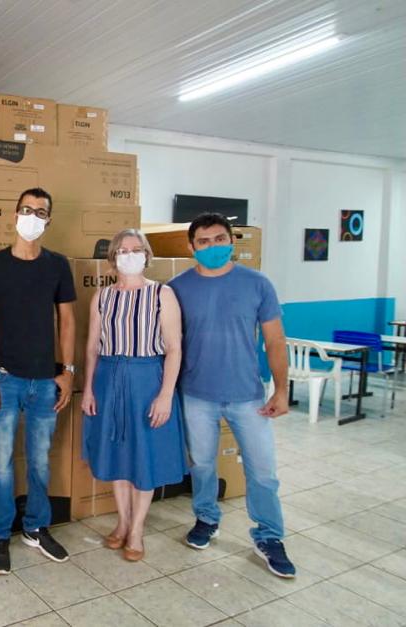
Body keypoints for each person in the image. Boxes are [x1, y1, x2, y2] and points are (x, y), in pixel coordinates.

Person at [169, 212, 296, 578]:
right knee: (202, 464)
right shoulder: (177, 288)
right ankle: (206, 518)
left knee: (262, 470)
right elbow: (170, 343)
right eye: (204, 241)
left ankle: (269, 536)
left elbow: (275, 340)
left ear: (231, 241)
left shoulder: (257, 284)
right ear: (191, 246)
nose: (213, 246)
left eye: (220, 239)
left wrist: (282, 390)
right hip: (196, 394)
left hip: (247, 396)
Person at [0, 187, 76, 575]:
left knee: (39, 460)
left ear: (49, 219)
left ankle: (35, 527)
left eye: (40, 211)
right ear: (14, 214)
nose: (32, 216)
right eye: (26, 209)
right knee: (0, 462)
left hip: (45, 380)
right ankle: (0, 534)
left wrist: (68, 372)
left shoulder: (57, 265)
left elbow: (67, 320)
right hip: (5, 378)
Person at [80, 229, 187, 561]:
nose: (129, 254)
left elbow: (174, 348)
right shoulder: (102, 297)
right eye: (122, 250)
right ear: (113, 258)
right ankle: (123, 522)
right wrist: (88, 389)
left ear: (146, 255)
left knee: (144, 455)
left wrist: (165, 395)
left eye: (136, 249)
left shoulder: (162, 294)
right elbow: (92, 346)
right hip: (108, 379)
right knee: (117, 453)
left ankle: (137, 529)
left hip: (147, 380)